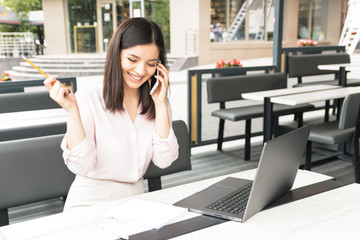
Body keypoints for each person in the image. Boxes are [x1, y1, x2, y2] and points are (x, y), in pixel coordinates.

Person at [44, 18, 179, 211]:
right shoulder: (89, 97)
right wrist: (72, 111)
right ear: (116, 54)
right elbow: (81, 166)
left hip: (135, 201)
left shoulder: (159, 101)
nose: (141, 71)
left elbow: (164, 160)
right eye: (132, 60)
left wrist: (161, 105)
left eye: (151, 63)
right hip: (88, 203)